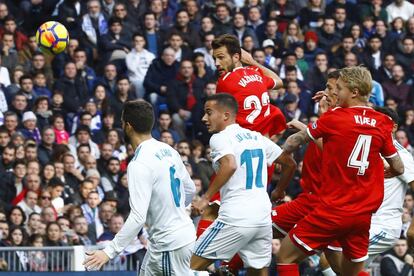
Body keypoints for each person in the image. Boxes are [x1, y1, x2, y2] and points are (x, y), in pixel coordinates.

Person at [276, 66, 404, 276]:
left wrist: (284, 152)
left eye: (340, 89)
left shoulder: (335, 117)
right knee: (347, 273)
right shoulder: (383, 122)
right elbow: (399, 167)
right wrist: (389, 171)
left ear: (353, 92)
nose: (336, 93)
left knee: (285, 256)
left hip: (333, 210)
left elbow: (296, 140)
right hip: (362, 217)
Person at [83, 100, 196, 275]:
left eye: (121, 122)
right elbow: (190, 190)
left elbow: (138, 216)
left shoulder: (139, 163)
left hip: (168, 245)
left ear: (128, 126)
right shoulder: (168, 150)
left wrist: (108, 251)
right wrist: (174, 210)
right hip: (182, 235)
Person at [191, 93, 296, 275]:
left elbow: (229, 164)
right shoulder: (257, 137)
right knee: (258, 272)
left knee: (186, 267)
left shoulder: (220, 137)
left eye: (209, 113)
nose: (204, 118)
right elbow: (290, 163)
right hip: (263, 217)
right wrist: (279, 191)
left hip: (236, 216)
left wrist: (205, 198)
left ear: (225, 115)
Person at [212, 34, 285, 138]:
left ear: (236, 57)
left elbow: (219, 119)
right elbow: (279, 82)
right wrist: (252, 61)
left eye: (221, 58)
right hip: (265, 140)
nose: (216, 63)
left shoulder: (225, 81)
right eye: (215, 59)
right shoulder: (256, 72)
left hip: (242, 141)